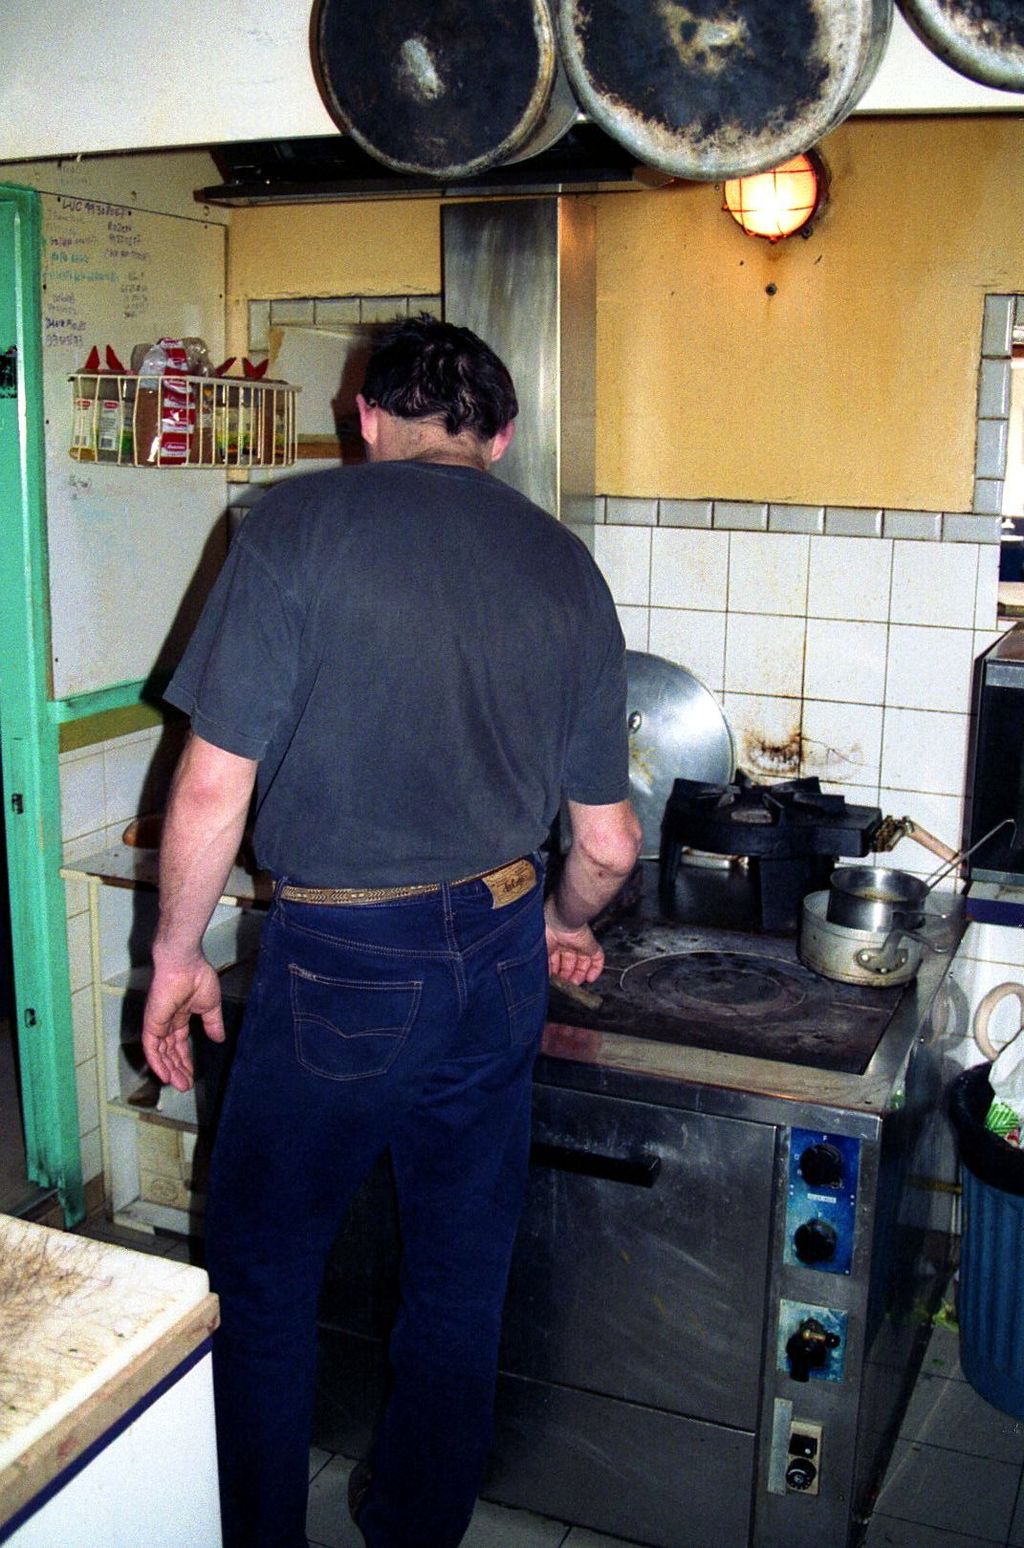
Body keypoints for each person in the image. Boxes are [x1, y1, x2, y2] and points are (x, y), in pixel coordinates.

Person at [141, 314, 641, 1548]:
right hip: (498, 957)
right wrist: (559, 923)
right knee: (459, 1278)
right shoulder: (564, 564)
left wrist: (172, 957)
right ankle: (415, 1528)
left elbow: (211, 787)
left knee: (265, 1280)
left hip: (344, 967)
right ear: (502, 437)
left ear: (363, 418)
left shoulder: (292, 528)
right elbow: (610, 844)